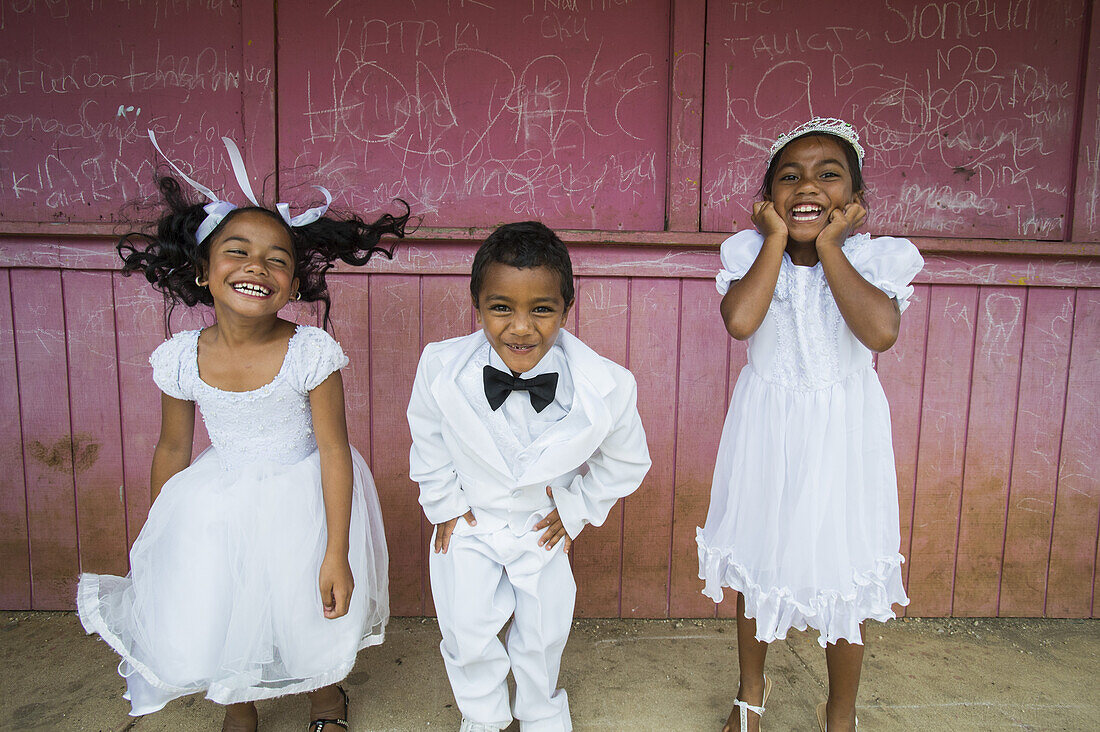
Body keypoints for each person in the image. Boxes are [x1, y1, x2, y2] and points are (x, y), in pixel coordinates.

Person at [77, 132, 409, 732]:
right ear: (203, 272)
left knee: (306, 604)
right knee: (221, 597)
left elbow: (334, 449)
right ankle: (238, 700)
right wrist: (163, 535)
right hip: (218, 499)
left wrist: (337, 548)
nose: (257, 267)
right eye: (237, 252)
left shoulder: (310, 352)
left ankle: (326, 697)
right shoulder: (180, 357)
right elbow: (173, 446)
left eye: (277, 259)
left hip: (304, 495)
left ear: (294, 282)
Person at [696, 118, 923, 732]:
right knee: (756, 555)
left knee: (844, 569)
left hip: (845, 436)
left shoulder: (876, 259)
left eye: (829, 175)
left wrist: (828, 247)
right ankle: (751, 693)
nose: (808, 186)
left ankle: (840, 712)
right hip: (767, 429)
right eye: (789, 176)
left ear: (854, 200)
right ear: (767, 198)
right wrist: (775, 241)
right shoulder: (749, 252)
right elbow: (741, 322)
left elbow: (879, 333)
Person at [407, 221, 651, 732]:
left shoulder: (607, 386)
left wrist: (576, 508)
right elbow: (427, 434)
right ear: (476, 306)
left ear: (567, 308)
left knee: (543, 634)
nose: (521, 327)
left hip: (542, 526)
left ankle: (541, 715)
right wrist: (444, 502)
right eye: (502, 308)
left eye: (542, 309)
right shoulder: (439, 367)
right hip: (470, 522)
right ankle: (483, 717)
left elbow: (627, 462)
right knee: (465, 630)